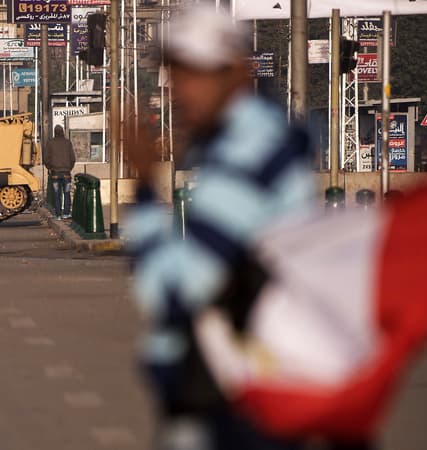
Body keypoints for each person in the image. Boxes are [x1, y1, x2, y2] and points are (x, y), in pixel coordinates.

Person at [125, 4, 319, 449]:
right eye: (175, 74)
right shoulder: (250, 142)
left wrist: (143, 190)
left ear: (235, 73)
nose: (180, 91)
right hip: (231, 383)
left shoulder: (246, 157)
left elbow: (170, 290)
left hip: (239, 393)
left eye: (195, 74)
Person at [43, 125, 76, 220]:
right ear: (62, 132)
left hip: (55, 174)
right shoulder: (67, 143)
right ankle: (66, 213)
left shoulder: (50, 143)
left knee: (56, 194)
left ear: (54, 132)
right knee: (67, 192)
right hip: (66, 173)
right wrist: (69, 168)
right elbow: (73, 158)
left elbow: (46, 158)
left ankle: (58, 214)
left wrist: (49, 167)